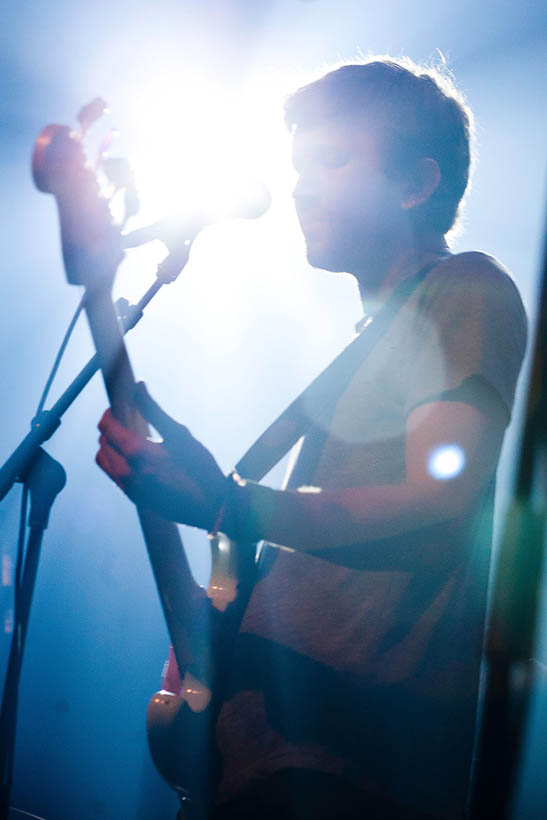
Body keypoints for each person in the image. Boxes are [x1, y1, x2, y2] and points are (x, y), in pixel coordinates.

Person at [97, 58, 527, 819]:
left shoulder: (464, 288)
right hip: (257, 767)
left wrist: (235, 504)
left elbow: (439, 503)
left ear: (414, 185)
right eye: (299, 164)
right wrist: (215, 629)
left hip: (351, 773)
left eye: (331, 159)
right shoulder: (360, 355)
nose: (299, 185)